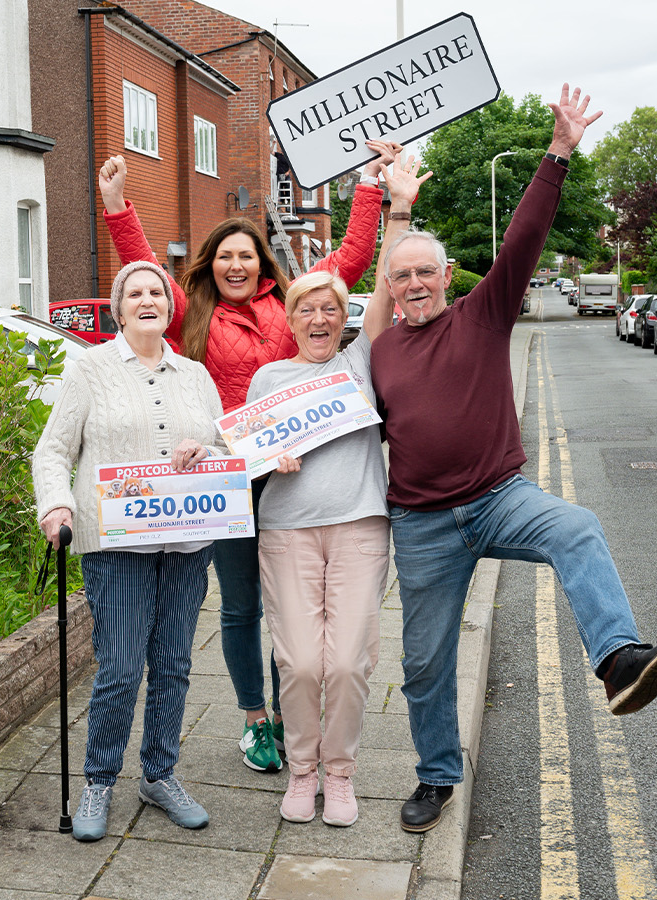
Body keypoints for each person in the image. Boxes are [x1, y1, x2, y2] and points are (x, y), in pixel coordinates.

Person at [370, 85, 657, 834]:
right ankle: (436, 775)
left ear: (447, 279)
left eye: (426, 273)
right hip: (419, 524)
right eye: (402, 276)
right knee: (423, 662)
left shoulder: (483, 314)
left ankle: (618, 661)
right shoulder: (377, 352)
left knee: (576, 525)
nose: (415, 283)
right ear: (389, 287)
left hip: (497, 496)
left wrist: (558, 153)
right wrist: (395, 208)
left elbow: (523, 238)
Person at [98, 142, 398, 773]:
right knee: (240, 606)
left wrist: (371, 186)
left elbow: (347, 264)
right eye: (226, 256)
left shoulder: (288, 308)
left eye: (247, 255)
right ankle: (254, 718)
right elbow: (143, 273)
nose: (236, 265)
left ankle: (291, 712)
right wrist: (118, 206)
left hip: (298, 476)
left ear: (262, 262)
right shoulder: (190, 311)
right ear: (213, 264)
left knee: (289, 605)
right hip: (228, 477)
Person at [246, 156, 431, 826]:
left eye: (330, 309)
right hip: (287, 529)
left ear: (341, 318)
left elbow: (384, 287)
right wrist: (268, 459)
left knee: (348, 662)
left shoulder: (361, 361)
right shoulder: (267, 380)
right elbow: (242, 458)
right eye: (308, 310)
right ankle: (302, 772)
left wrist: (395, 205)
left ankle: (341, 774)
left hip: (359, 526)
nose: (320, 319)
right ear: (291, 320)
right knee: (298, 663)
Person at [32, 260, 228, 842]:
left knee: (173, 663)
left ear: (170, 308)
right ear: (118, 310)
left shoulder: (194, 374)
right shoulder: (89, 369)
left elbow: (224, 444)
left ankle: (160, 774)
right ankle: (99, 780)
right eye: (135, 293)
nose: (148, 299)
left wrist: (206, 446)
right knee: (118, 667)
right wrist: (56, 505)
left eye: (157, 293)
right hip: (115, 541)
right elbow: (52, 450)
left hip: (187, 539)